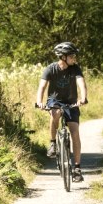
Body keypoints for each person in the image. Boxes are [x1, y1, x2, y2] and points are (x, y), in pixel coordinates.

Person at [36, 41, 88, 182]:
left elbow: (81, 83)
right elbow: (42, 87)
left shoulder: (75, 68)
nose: (74, 59)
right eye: (72, 56)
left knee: (74, 131)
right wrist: (39, 101)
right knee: (56, 114)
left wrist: (83, 98)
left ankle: (77, 168)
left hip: (71, 102)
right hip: (55, 101)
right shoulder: (50, 69)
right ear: (63, 57)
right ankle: (53, 143)